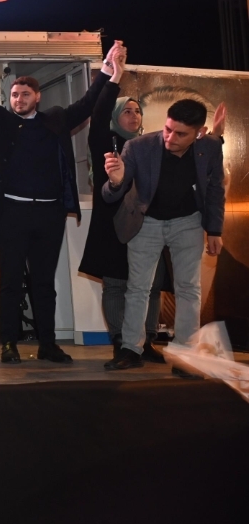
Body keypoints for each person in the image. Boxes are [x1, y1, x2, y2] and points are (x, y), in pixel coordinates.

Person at [0, 60, 110, 364]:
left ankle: (48, 344)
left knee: (44, 283)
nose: (19, 99)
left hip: (49, 215)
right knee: (10, 281)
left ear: (38, 96)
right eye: (15, 95)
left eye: (25, 94)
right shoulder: (0, 121)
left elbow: (86, 104)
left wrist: (108, 71)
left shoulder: (55, 119)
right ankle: (9, 344)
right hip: (10, 214)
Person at [103, 99, 226, 373]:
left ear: (199, 133)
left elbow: (216, 189)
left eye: (181, 134)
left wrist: (215, 230)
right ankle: (131, 349)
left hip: (189, 222)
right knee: (138, 287)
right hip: (146, 221)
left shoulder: (210, 147)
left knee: (189, 288)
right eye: (168, 129)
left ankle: (185, 355)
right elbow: (110, 194)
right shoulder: (138, 146)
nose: (170, 138)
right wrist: (116, 181)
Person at [78, 41, 182, 361]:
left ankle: (145, 341)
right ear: (115, 116)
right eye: (127, 110)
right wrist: (115, 76)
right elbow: (97, 114)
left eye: (137, 111)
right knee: (116, 284)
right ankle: (121, 341)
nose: (134, 115)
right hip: (112, 223)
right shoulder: (104, 140)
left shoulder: (151, 145)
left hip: (149, 224)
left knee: (150, 284)